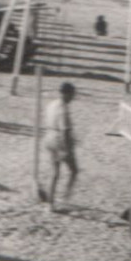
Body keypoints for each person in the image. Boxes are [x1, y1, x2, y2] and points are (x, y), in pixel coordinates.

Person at [41, 82, 79, 212]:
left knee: (54, 173)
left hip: (48, 137)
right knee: (74, 170)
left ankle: (50, 203)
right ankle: (65, 198)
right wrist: (67, 150)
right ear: (67, 94)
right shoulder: (64, 109)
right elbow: (65, 131)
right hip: (59, 141)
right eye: (72, 94)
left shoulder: (52, 104)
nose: (73, 97)